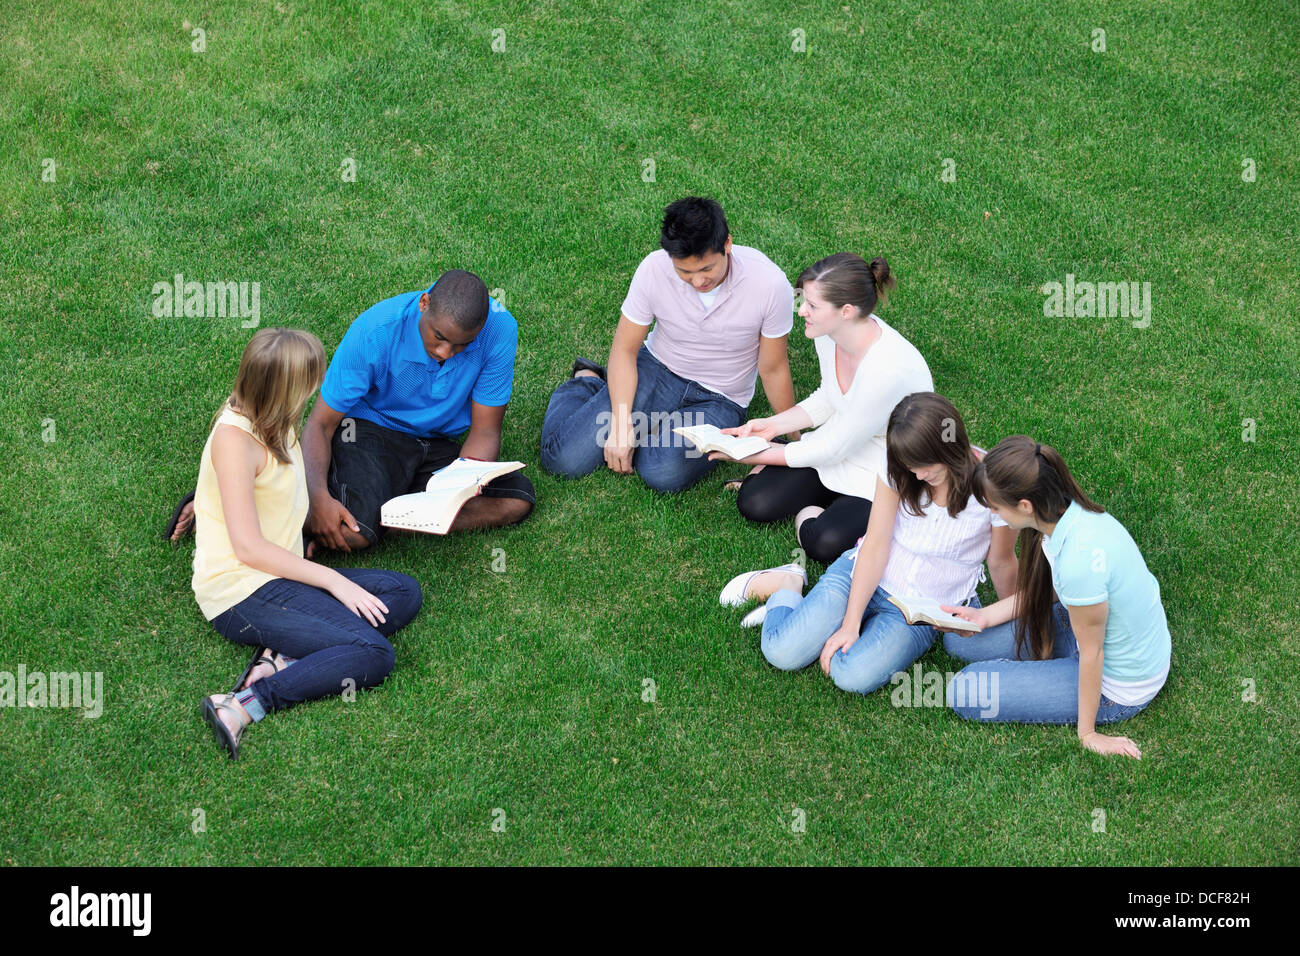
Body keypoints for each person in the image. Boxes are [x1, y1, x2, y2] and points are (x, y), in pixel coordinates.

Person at [193, 328, 423, 759]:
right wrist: (334, 581)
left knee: (402, 592)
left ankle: (282, 654)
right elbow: (247, 548)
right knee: (374, 654)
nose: (317, 388)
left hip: (281, 571)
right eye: (310, 382)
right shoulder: (234, 441)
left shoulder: (275, 417)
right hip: (241, 590)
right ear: (283, 390)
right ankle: (245, 703)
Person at [719, 393, 1017, 696]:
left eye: (925, 466)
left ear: (950, 447)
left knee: (851, 676)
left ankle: (825, 621)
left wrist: (1011, 617)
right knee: (782, 652)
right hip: (862, 573)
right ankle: (787, 584)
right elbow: (875, 545)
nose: (918, 475)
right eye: (910, 467)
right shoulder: (901, 467)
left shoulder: (992, 486)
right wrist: (850, 624)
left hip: (920, 611)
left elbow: (1002, 560)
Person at [539, 196, 798, 493]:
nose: (698, 281)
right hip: (656, 370)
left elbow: (773, 367)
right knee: (563, 460)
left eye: (706, 269)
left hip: (720, 398)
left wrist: (793, 437)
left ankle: (639, 418)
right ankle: (587, 382)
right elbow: (624, 350)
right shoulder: (654, 269)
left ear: (727, 244)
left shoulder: (769, 284)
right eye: (685, 273)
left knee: (662, 472)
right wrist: (622, 426)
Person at [937, 436, 1171, 759]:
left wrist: (1088, 733)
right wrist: (985, 616)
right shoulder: (1064, 516)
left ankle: (1069, 694)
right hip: (1083, 624)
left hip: (1117, 684)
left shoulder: (1079, 560)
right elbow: (1053, 594)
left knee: (965, 691)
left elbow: (1093, 655)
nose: (992, 514)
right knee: (958, 642)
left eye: (994, 507)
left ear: (1024, 506)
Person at [709, 253, 932, 564]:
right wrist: (773, 426)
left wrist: (749, 452)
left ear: (846, 311)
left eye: (812, 306)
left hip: (885, 470)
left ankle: (815, 507)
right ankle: (818, 490)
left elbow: (832, 448)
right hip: (839, 445)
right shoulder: (829, 334)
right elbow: (829, 397)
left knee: (824, 543)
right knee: (755, 503)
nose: (802, 311)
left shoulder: (888, 371)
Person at [301, 269, 534, 552]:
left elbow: (485, 429)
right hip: (370, 431)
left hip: (436, 444)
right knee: (355, 534)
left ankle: (386, 517)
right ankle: (381, 514)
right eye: (439, 337)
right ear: (424, 303)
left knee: (516, 499)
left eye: (463, 344)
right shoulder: (375, 330)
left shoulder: (499, 329)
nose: (446, 352)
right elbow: (319, 425)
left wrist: (456, 491)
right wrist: (317, 498)